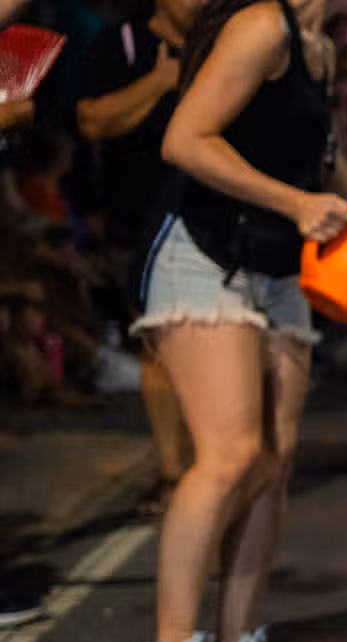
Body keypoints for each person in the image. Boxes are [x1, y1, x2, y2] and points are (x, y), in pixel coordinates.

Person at [128, 0, 347, 642]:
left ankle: (239, 641)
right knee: (230, 453)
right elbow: (186, 139)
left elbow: (321, 155)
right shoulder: (264, 24)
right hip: (202, 253)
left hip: (276, 264)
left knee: (275, 458)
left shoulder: (321, 46)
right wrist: (295, 203)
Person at [76, 0, 201, 514]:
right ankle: (173, 473)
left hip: (206, 215)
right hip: (139, 216)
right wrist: (160, 82)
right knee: (158, 343)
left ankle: (205, 466)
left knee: (200, 343)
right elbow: (93, 121)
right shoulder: (120, 44)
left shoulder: (222, 42)